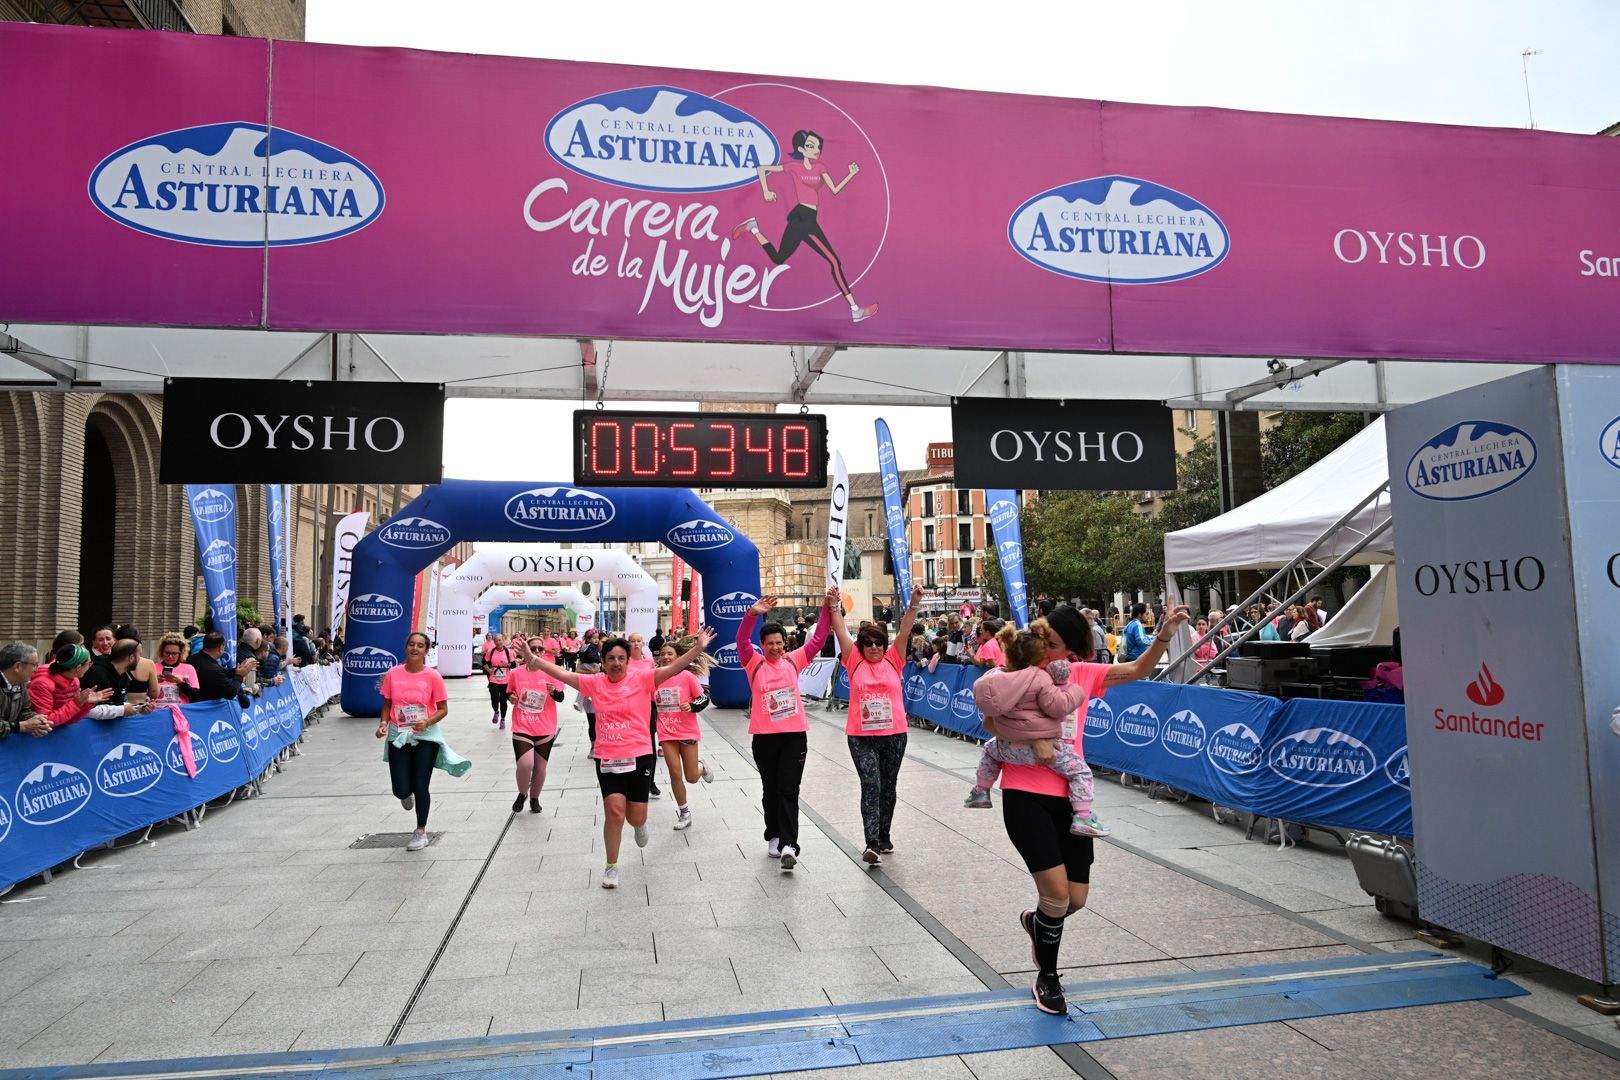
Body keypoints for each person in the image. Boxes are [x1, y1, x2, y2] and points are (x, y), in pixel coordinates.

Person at [978, 602, 1188, 1015]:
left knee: (1075, 900)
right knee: (1055, 895)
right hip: (1025, 794)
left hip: (1073, 800)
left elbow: (1137, 671)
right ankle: (1048, 978)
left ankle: (1037, 924)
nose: (1051, 651)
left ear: (1073, 648)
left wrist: (1163, 634)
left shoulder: (1081, 675)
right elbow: (987, 718)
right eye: (1046, 642)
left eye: (1059, 645)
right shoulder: (1012, 675)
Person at [528, 629, 715, 889]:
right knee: (614, 812)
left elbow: (675, 668)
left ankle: (639, 824)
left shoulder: (644, 679)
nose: (616, 663)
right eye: (611, 659)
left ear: (628, 661)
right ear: (603, 663)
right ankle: (611, 865)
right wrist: (534, 659)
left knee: (635, 817)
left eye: (621, 658)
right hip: (607, 758)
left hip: (639, 756)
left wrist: (698, 649)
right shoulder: (595, 683)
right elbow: (563, 674)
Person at [964, 625, 1106, 836]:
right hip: (1042, 749)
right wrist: (1076, 691)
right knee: (1080, 773)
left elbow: (988, 718)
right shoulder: (1040, 678)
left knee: (988, 751)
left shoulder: (995, 676)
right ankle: (1083, 816)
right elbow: (1057, 706)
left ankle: (981, 791)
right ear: (1041, 660)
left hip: (1006, 747)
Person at [733, 129, 878, 324]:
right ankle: (854, 310)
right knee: (834, 261)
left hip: (808, 218)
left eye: (818, 146)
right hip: (802, 217)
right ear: (801, 149)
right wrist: (766, 191)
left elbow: (834, 189)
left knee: (778, 258)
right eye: (811, 145)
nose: (816, 149)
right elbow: (761, 169)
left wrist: (850, 174)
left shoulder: (820, 168)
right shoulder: (794, 167)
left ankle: (753, 227)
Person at [736, 588, 833, 871]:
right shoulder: (752, 662)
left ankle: (790, 844)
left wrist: (826, 606)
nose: (775, 648)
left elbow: (818, 639)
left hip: (793, 737)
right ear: (762, 645)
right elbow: (741, 639)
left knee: (789, 789)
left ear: (785, 644)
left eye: (779, 643)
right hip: (764, 738)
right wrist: (753, 613)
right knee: (770, 790)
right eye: (770, 644)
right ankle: (774, 835)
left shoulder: (794, 660)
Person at [832, 587, 920, 865]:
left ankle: (884, 835)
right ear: (861, 647)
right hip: (861, 736)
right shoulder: (854, 661)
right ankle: (871, 843)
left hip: (894, 734)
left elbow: (904, 631)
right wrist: (834, 606)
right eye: (868, 643)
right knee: (871, 783)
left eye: (878, 643)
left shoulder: (894, 660)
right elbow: (841, 633)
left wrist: (914, 604)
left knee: (888, 786)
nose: (873, 648)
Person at [377, 632, 468, 852]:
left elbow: (443, 709)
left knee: (421, 785)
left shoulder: (433, 677)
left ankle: (420, 831)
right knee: (400, 788)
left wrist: (426, 722)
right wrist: (382, 723)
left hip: (425, 736)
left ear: (426, 651)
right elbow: (388, 704)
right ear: (406, 647)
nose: (415, 648)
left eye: (420, 646)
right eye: (411, 644)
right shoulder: (393, 674)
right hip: (398, 734)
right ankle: (404, 795)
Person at [654, 635, 714, 830]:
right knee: (674, 773)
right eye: (663, 654)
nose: (666, 657)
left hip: (686, 730)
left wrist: (691, 706)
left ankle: (700, 768)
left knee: (691, 777)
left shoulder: (687, 676)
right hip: (666, 732)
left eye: (670, 654)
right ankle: (684, 812)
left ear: (678, 656)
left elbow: (703, 698)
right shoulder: (655, 677)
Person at [507, 637, 566, 815]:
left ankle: (534, 798)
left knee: (540, 767)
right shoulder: (516, 673)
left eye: (541, 649)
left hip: (545, 727)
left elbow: (561, 697)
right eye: (534, 648)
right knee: (525, 764)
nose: (538, 651)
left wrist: (554, 692)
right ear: (526, 651)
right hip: (522, 725)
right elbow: (509, 692)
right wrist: (511, 698)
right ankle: (522, 793)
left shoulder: (551, 672)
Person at [28, 644, 115, 729]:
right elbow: (45, 722)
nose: (90, 666)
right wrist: (75, 704)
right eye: (89, 663)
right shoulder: (42, 684)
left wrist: (85, 703)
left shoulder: (74, 680)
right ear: (78, 667)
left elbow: (68, 719)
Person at [81, 640, 155, 716]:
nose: (140, 659)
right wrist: (121, 710)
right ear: (131, 657)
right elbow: (87, 710)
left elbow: (116, 704)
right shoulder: (96, 673)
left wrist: (139, 708)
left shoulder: (124, 675)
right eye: (139, 654)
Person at [0, 643, 51, 739]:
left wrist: (36, 721)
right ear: (18, 666)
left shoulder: (20, 683)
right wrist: (22, 726)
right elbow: (21, 725)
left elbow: (25, 709)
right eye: (34, 665)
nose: (36, 669)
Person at [190, 632, 256, 703]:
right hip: (205, 708)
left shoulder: (192, 658)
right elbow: (230, 693)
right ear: (220, 648)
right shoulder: (213, 669)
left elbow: (222, 673)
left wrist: (237, 670)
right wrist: (239, 676)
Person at [153, 633, 200, 704]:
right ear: (162, 652)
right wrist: (154, 682)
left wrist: (180, 683)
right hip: (158, 711)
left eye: (174, 653)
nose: (170, 657)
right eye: (167, 653)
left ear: (180, 653)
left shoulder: (189, 668)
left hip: (181, 710)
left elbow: (196, 695)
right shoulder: (153, 667)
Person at [483, 633, 513, 729]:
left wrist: (507, 664)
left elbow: (514, 665)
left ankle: (503, 719)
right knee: (494, 698)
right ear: (494, 642)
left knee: (503, 700)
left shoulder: (509, 652)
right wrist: (488, 669)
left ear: (503, 641)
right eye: (496, 641)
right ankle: (496, 711)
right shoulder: (491, 651)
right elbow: (484, 662)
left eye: (500, 640)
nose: (498, 642)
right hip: (494, 679)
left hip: (505, 680)